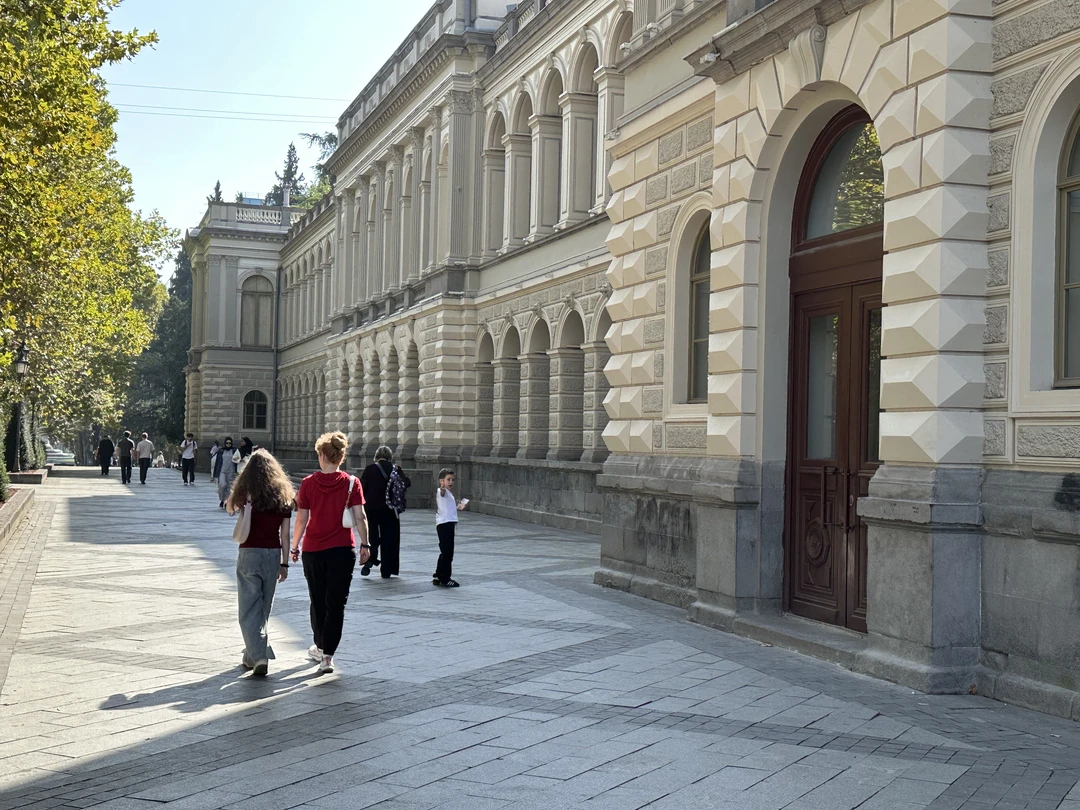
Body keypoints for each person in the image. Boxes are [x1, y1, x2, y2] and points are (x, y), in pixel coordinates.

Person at [290, 432, 369, 674]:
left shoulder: (308, 483)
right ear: (341, 457)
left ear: (323, 455)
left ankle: (320, 644)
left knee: (317, 600)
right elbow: (360, 516)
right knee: (336, 604)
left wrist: (294, 546)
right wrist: (365, 544)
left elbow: (302, 518)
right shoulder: (351, 483)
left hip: (314, 550)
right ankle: (328, 657)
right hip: (343, 551)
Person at [226, 449, 294, 678]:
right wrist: (284, 564)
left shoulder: (246, 491)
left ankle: (260, 657)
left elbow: (229, 508)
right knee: (263, 608)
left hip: (249, 554)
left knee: (248, 610)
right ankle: (251, 654)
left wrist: (243, 501)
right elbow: (285, 535)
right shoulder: (282, 495)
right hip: (272, 554)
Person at [359, 445, 410, 578]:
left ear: (376, 456)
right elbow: (406, 483)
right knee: (390, 539)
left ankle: (371, 559)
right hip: (390, 510)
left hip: (372, 509)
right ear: (390, 456)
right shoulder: (395, 469)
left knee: (373, 536)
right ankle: (387, 569)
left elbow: (362, 488)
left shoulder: (369, 469)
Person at [433, 468, 467, 588]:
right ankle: (446, 578)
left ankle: (438, 574)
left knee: (444, 551)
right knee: (448, 553)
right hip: (445, 524)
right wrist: (442, 487)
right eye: (448, 480)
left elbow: (448, 506)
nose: (451, 482)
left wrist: (458, 507)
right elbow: (442, 492)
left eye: (453, 480)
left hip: (447, 523)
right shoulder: (442, 491)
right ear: (442, 481)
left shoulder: (449, 494)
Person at [214, 437, 236, 509]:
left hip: (231, 471)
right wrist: (215, 473)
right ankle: (222, 499)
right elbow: (218, 462)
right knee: (222, 485)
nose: (228, 444)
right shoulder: (221, 451)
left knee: (229, 487)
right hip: (222, 471)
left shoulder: (234, 451)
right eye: (227, 443)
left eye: (230, 443)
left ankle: (226, 501)